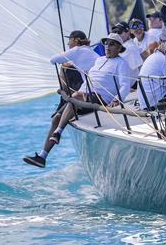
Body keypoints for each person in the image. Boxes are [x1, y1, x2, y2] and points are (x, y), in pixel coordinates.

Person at [23, 33, 131, 168]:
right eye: (106, 43)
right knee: (56, 117)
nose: (108, 46)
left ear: (119, 47)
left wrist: (117, 99)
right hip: (85, 93)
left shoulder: (122, 64)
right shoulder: (100, 60)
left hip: (100, 97)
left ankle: (58, 132)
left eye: (112, 44)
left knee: (76, 97)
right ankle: (42, 157)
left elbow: (125, 84)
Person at [137, 40, 166, 110]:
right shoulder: (163, 58)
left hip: (145, 103)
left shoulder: (153, 56)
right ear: (161, 44)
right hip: (153, 104)